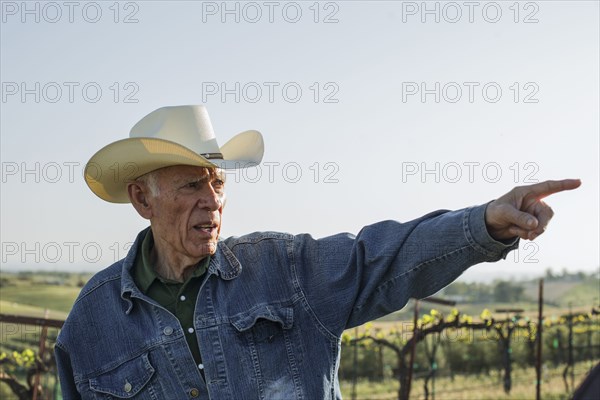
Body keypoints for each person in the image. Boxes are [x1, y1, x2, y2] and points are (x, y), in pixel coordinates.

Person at [55, 105, 581, 399]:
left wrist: (483, 223)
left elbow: (383, 257)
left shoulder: (283, 269)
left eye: (217, 182)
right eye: (192, 185)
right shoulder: (91, 323)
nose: (212, 199)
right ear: (142, 199)